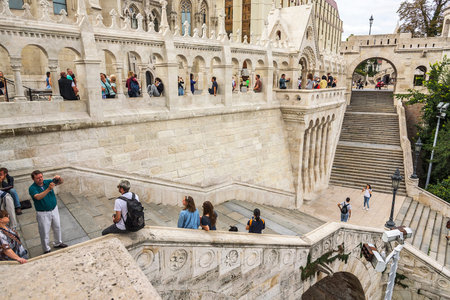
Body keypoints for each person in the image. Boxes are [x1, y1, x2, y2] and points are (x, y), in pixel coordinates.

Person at [28, 170, 67, 253]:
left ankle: (58, 242)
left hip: (54, 209)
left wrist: (59, 178)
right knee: (44, 231)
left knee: (57, 227)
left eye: (41, 177)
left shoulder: (47, 182)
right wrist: (49, 189)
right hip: (43, 213)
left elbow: (61, 182)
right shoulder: (32, 188)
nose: (40, 179)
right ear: (33, 179)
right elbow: (38, 197)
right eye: (37, 178)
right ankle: (46, 249)